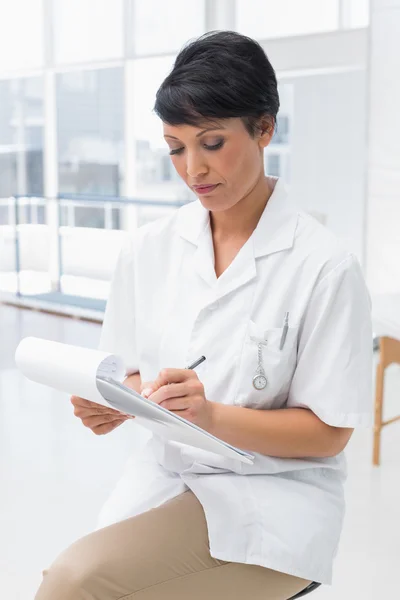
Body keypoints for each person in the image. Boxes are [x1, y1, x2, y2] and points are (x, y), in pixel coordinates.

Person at [35, 31, 373, 600]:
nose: (193, 169)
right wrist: (115, 404)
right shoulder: (149, 249)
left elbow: (329, 432)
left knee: (76, 585)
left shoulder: (324, 265)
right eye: (175, 148)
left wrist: (208, 415)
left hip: (277, 500)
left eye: (212, 142)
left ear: (265, 129)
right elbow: (131, 374)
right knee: (79, 578)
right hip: (167, 483)